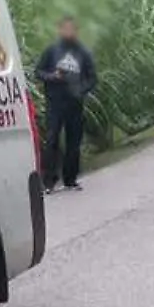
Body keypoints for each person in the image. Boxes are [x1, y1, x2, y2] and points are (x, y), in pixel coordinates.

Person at [33, 16, 96, 192]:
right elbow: (38, 72)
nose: (69, 32)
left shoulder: (83, 53)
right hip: (55, 103)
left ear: (76, 31)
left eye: (72, 29)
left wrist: (81, 90)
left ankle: (70, 179)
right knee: (52, 140)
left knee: (73, 143)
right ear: (60, 30)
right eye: (65, 28)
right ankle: (49, 181)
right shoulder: (52, 51)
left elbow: (92, 78)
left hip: (75, 104)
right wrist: (53, 76)